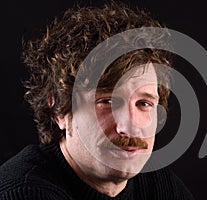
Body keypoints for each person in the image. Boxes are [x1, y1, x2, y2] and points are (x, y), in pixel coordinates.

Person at [0, 0, 195, 199]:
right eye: (108, 102)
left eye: (143, 104)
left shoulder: (159, 185)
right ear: (59, 110)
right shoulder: (25, 192)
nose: (130, 127)